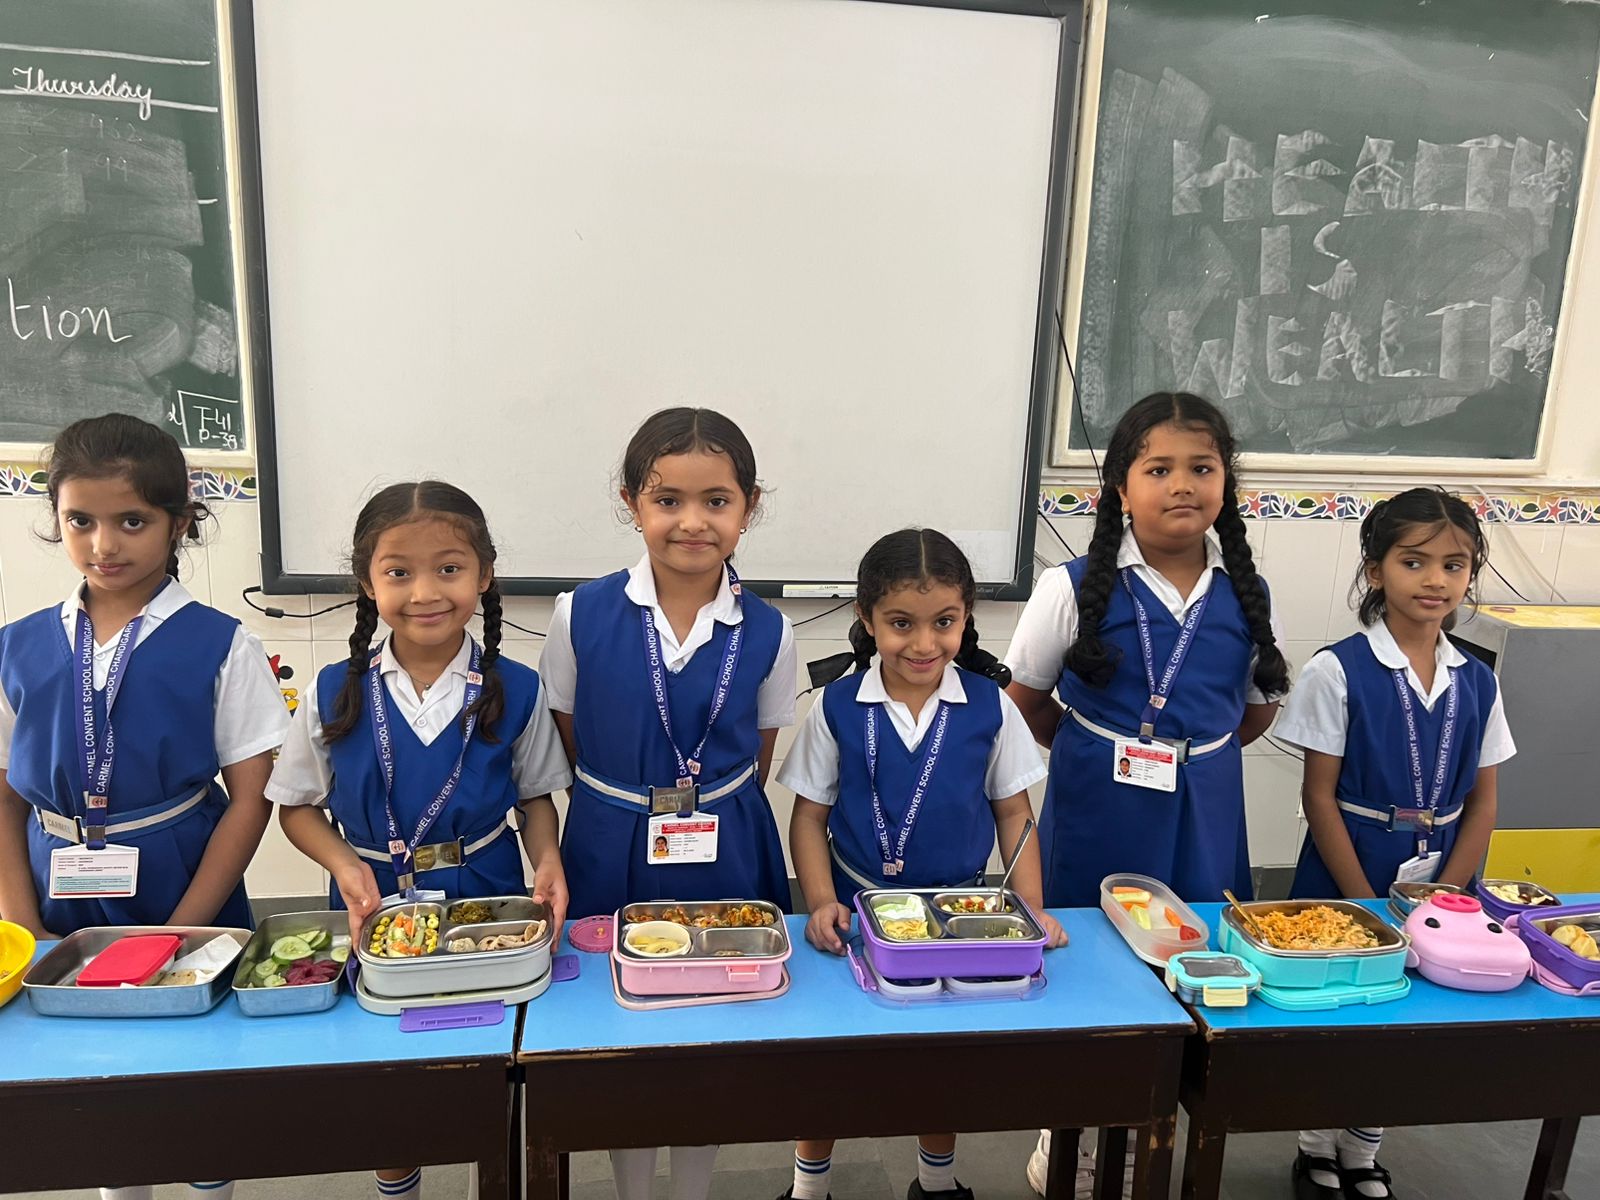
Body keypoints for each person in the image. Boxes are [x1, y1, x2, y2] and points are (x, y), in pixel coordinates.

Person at [1003, 392, 1289, 1196]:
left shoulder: (1244, 592)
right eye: (1158, 469)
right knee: (1093, 963)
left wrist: (1191, 761)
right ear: (1121, 489)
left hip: (1206, 807)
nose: (1182, 485)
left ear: (1226, 482)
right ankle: (1069, 1135)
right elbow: (1023, 704)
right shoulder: (1072, 587)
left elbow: (1256, 710)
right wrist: (1098, 752)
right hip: (1100, 806)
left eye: (1202, 468)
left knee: (1193, 957)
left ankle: (1154, 1129)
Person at [0, 413, 289, 1200]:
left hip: (183, 883)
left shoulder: (222, 644)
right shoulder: (17, 647)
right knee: (96, 1080)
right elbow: (4, 796)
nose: (105, 544)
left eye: (132, 521)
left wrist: (184, 932)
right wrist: (23, 921)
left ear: (178, 522)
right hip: (56, 890)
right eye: (80, 521)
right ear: (56, 517)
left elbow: (251, 800)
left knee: (197, 1079)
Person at [268, 481, 569, 1200]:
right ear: (367, 582)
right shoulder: (335, 690)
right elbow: (296, 808)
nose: (425, 592)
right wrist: (344, 864)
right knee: (389, 1075)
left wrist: (548, 857)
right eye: (399, 572)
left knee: (488, 1062)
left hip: (489, 896)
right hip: (373, 900)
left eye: (449, 568)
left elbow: (535, 798)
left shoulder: (516, 689)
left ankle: (488, 1180)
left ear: (484, 575)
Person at [539, 407, 796, 1200]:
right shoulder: (579, 612)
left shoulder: (771, 630)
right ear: (632, 504)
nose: (692, 522)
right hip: (610, 837)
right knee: (619, 1024)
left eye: (717, 501)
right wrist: (629, 804)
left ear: (749, 507)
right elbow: (570, 733)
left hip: (726, 840)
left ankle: (692, 1189)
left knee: (713, 1027)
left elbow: (760, 748)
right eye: (667, 500)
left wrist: (694, 802)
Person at [777, 528, 1062, 1200]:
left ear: (966, 617)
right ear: (867, 618)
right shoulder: (837, 705)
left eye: (944, 622)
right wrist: (820, 902)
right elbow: (809, 818)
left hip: (959, 919)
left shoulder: (990, 706)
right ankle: (809, 1189)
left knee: (943, 1058)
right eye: (901, 623)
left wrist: (1030, 911)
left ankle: (937, 1182)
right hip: (854, 915)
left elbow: (1015, 815)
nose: (924, 643)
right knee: (834, 1058)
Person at [1278, 487, 1512, 1200]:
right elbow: (1319, 797)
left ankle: (1364, 1148)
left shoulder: (1479, 680)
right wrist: (1366, 906)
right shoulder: (1337, 669)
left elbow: (1484, 800)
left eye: (1454, 565)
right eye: (1414, 562)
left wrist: (1445, 896)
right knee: (1342, 1009)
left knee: (1408, 1017)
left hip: (1444, 874)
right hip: (1351, 862)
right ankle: (1314, 1146)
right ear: (1376, 570)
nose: (1435, 580)